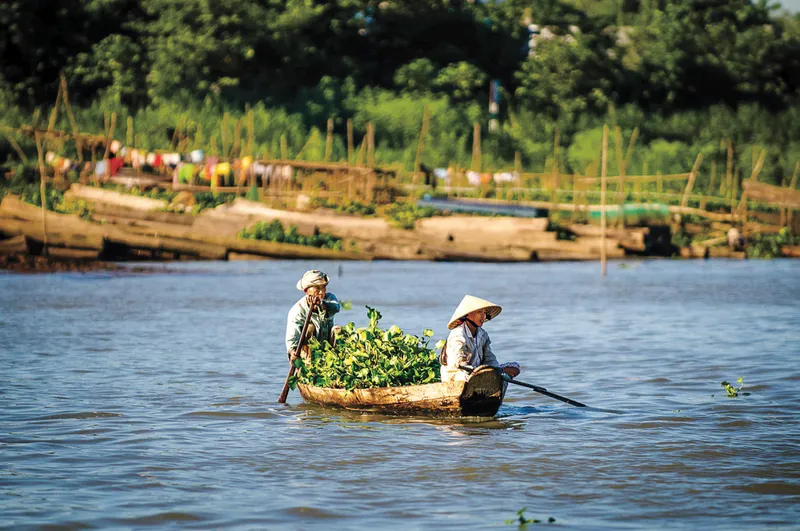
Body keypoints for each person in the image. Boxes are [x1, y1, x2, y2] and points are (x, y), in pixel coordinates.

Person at [440, 295, 521, 382]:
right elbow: (459, 364)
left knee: (514, 366)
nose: (483, 316)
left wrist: (496, 371)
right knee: (465, 376)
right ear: (468, 314)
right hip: (458, 374)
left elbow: (490, 359)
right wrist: (479, 372)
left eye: (485, 313)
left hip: (479, 372)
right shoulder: (458, 335)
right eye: (479, 312)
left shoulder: (483, 335)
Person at [285, 270, 341, 361]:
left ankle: (337, 362)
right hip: (308, 353)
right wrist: (293, 352)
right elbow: (292, 339)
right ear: (306, 291)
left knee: (338, 330)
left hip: (328, 348)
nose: (321, 292)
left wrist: (322, 305)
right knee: (310, 328)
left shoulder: (329, 298)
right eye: (317, 288)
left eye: (323, 287)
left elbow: (336, 308)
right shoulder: (297, 310)